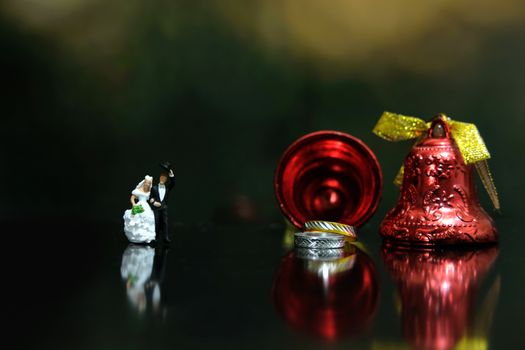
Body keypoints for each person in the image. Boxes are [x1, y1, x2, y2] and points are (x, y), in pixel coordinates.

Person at [123, 175, 156, 244]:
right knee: (137, 218)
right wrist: (134, 204)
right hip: (139, 205)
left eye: (149, 183)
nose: (148, 184)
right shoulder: (139, 190)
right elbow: (132, 198)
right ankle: (136, 236)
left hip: (146, 206)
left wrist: (153, 201)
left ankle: (147, 237)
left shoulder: (149, 191)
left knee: (148, 219)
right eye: (147, 183)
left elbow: (150, 199)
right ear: (144, 182)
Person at [149, 162, 175, 244]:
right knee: (156, 222)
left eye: (164, 179)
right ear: (160, 178)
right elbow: (150, 198)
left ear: (166, 180)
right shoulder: (154, 188)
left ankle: (165, 237)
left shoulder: (167, 188)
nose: (162, 179)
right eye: (161, 178)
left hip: (164, 208)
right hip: (156, 208)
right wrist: (154, 202)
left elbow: (173, 183)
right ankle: (155, 237)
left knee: (165, 223)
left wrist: (171, 174)